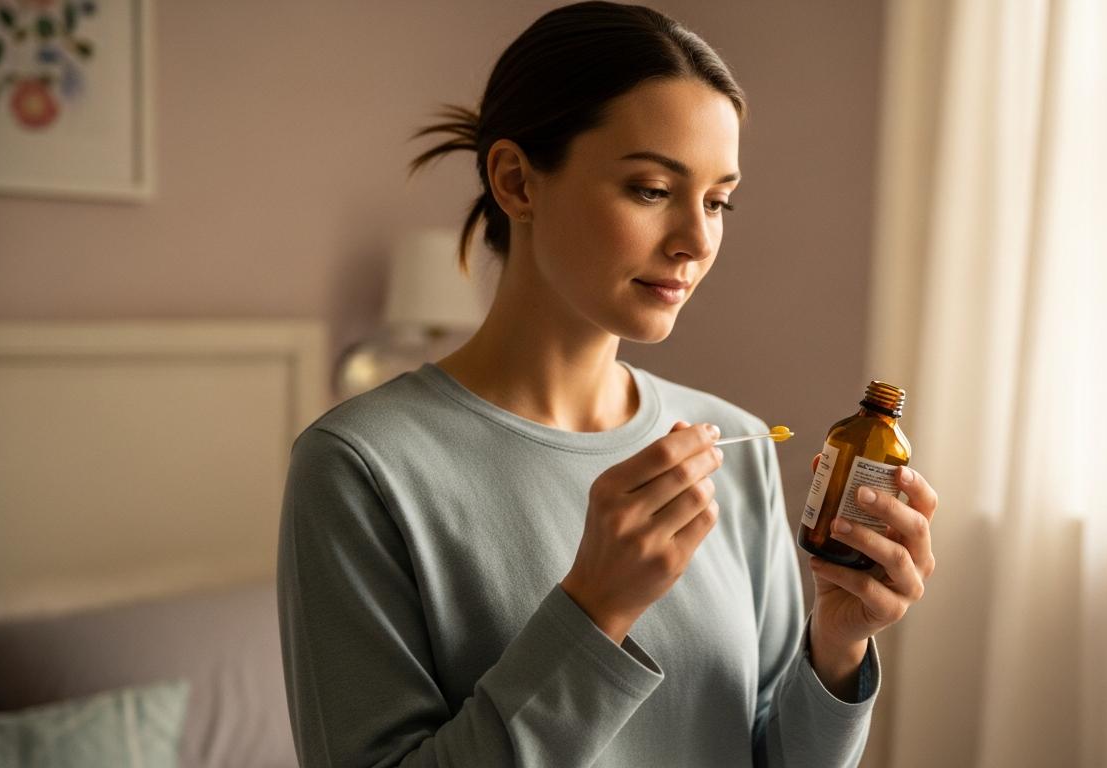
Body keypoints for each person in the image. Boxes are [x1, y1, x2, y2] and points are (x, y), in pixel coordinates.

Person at [275, 2, 938, 766]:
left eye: (718, 201)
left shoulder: (731, 444)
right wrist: (594, 611)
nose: (696, 240)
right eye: (653, 190)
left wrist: (838, 646)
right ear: (517, 182)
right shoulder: (360, 467)